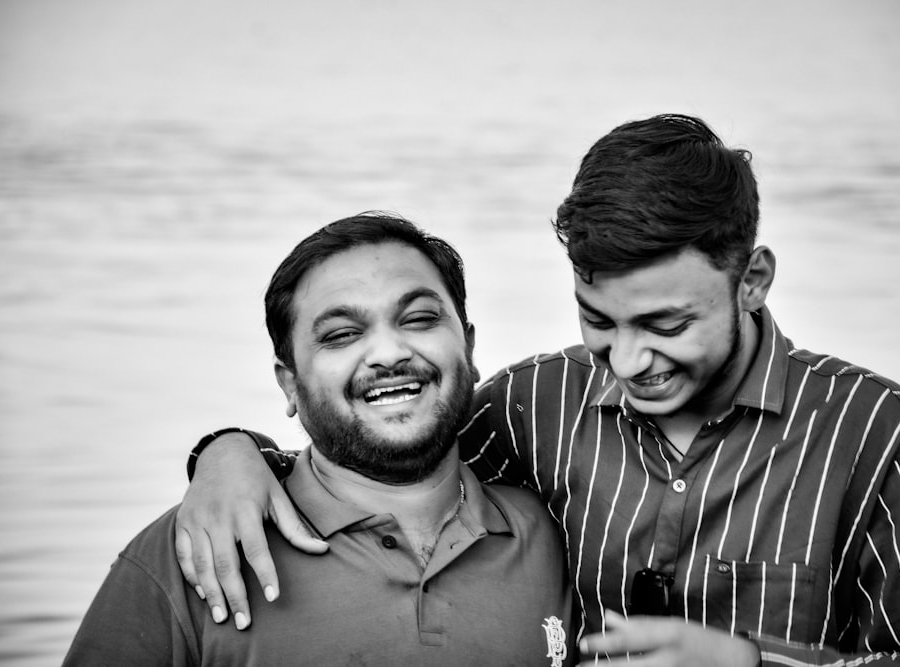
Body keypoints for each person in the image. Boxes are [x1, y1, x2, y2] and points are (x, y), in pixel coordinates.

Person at [175, 116, 900, 665]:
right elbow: (388, 457)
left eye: (665, 324)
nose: (627, 360)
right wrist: (230, 453)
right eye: (598, 319)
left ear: (753, 280)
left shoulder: (870, 427)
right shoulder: (535, 402)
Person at [64, 214, 576, 666]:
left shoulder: (555, 534)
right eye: (340, 335)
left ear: (468, 344)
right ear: (290, 383)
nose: (388, 352)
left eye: (418, 319)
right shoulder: (201, 546)